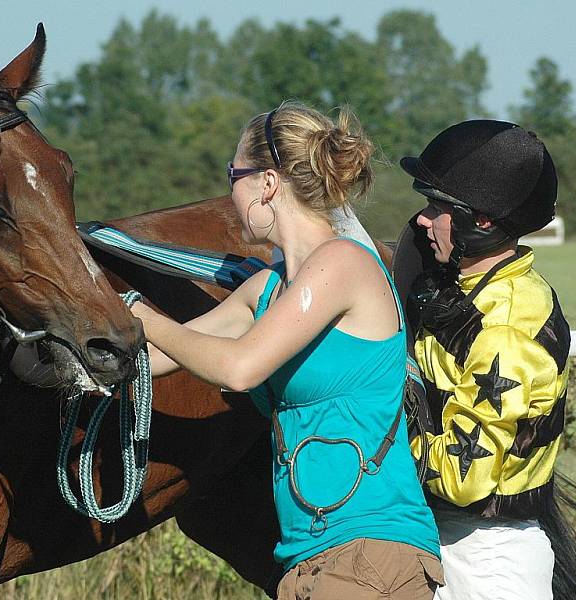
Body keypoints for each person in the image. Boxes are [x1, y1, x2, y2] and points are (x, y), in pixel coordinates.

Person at [131, 101, 443, 599]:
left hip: (372, 549)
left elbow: (239, 368)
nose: (228, 191)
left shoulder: (343, 264)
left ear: (267, 184)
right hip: (306, 558)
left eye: (234, 174)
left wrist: (145, 320)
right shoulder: (267, 290)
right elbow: (157, 361)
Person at [400, 120, 576, 600]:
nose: (423, 220)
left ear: (481, 221)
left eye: (438, 208)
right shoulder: (466, 290)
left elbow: (463, 478)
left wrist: (380, 422)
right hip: (445, 541)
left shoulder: (506, 325)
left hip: (485, 562)